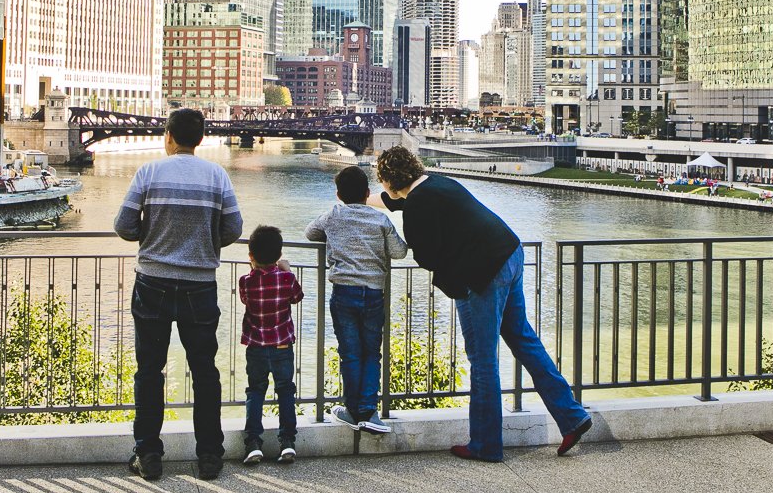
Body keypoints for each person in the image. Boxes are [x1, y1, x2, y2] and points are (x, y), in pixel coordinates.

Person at [368, 145, 593, 462]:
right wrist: (363, 200)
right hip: (510, 253)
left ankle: (486, 444)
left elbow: (425, 256)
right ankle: (572, 416)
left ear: (389, 181)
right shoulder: (438, 182)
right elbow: (396, 201)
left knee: (483, 359)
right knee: (523, 339)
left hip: (484, 272)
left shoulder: (418, 204)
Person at [115, 108, 243, 482]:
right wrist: (203, 243)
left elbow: (123, 226)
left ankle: (149, 454)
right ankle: (209, 457)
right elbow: (234, 227)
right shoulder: (217, 175)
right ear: (200, 139)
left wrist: (154, 237)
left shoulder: (149, 172)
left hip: (152, 282)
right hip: (200, 286)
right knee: (205, 372)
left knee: (149, 371)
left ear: (168, 136)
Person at [304, 165, 407, 435]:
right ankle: (369, 411)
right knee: (371, 352)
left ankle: (351, 410)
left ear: (338, 195)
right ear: (367, 193)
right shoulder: (380, 220)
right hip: (373, 291)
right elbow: (399, 252)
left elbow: (309, 233)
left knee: (350, 353)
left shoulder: (333, 215)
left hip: (344, 292)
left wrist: (336, 237)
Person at [237, 225, 304, 465]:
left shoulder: (246, 281)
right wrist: (286, 269)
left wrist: (254, 269)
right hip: (283, 346)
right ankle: (287, 442)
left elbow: (245, 299)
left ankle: (253, 443)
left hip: (256, 346)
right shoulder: (286, 279)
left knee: (255, 390)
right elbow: (297, 297)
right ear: (278, 255)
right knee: (285, 389)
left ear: (251, 256)